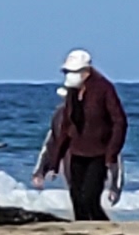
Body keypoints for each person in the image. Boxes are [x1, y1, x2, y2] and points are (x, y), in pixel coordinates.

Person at [33, 48, 127, 223]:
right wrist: (53, 164)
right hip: (77, 153)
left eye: (73, 71)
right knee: (77, 199)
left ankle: (104, 229)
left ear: (86, 71)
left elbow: (119, 122)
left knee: (89, 199)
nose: (70, 75)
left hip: (99, 154)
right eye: (67, 72)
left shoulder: (104, 89)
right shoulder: (72, 92)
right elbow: (63, 130)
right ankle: (83, 233)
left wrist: (111, 154)